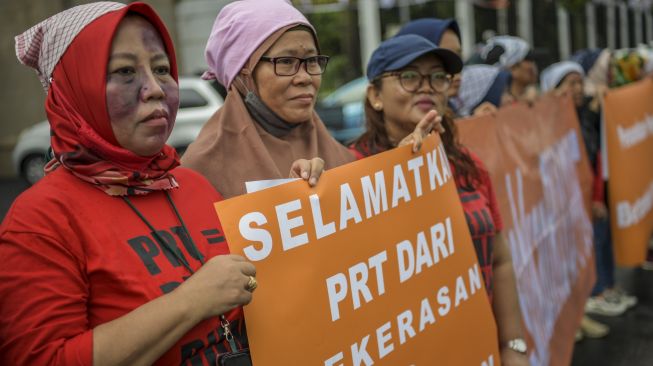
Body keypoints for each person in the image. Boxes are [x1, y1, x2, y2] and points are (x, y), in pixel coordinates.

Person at [0, 2, 324, 364]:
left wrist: (300, 210)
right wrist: (191, 300)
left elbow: (264, 298)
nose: (154, 88)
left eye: (162, 69)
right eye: (124, 71)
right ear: (74, 91)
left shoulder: (193, 185)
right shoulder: (39, 221)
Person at [350, 34, 529, 366]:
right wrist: (398, 173)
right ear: (375, 95)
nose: (427, 87)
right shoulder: (348, 172)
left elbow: (499, 259)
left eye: (437, 77)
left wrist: (513, 345)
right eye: (409, 76)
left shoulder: (469, 166)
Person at [181, 0, 354, 198]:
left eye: (312, 60)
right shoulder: (201, 170)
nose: (305, 78)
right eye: (286, 62)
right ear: (243, 73)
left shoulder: (342, 156)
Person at [540, 61, 637, 318]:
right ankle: (595, 293)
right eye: (570, 83)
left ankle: (606, 285)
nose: (578, 88)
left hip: (589, 197)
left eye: (579, 82)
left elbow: (594, 160)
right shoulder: (548, 125)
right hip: (567, 203)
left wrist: (595, 196)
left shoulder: (584, 118)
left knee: (601, 240)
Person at [480, 35, 538, 104]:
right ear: (513, 68)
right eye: (529, 59)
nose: (533, 65)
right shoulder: (498, 105)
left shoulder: (530, 96)